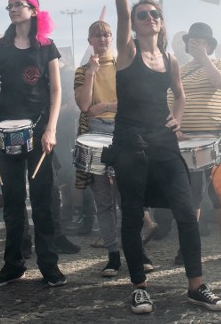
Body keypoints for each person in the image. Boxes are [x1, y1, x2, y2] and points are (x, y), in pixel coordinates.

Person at [104, 0, 221, 314]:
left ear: (161, 21)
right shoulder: (127, 52)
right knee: (131, 214)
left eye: (154, 13)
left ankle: (197, 285)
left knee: (186, 212)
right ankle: (140, 288)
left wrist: (177, 115)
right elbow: (122, 18)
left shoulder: (171, 59)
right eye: (143, 14)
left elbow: (179, 95)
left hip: (163, 143)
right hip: (129, 142)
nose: (149, 17)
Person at [0, 0, 66, 289]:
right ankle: (13, 265)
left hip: (40, 131)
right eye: (11, 5)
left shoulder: (47, 47)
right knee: (13, 203)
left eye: (20, 4)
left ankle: (49, 265)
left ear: (34, 11)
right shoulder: (1, 47)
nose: (14, 9)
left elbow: (56, 91)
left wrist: (51, 129)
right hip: (5, 132)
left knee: (42, 201)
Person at [170, 22, 221, 266]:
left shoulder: (218, 63)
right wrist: (175, 127)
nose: (196, 44)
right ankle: (188, 247)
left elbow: (218, 82)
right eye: (193, 41)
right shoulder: (180, 70)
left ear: (209, 45)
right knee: (191, 197)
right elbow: (171, 101)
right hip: (186, 139)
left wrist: (205, 59)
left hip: (215, 137)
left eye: (201, 41)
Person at [74, 20, 123, 276]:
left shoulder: (122, 67)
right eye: (97, 35)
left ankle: (137, 252)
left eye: (106, 35)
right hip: (94, 135)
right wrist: (92, 72)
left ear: (111, 38)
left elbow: (130, 103)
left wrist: (104, 106)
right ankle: (113, 254)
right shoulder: (82, 71)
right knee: (103, 201)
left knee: (129, 198)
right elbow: (83, 106)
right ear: (90, 40)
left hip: (121, 134)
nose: (102, 39)